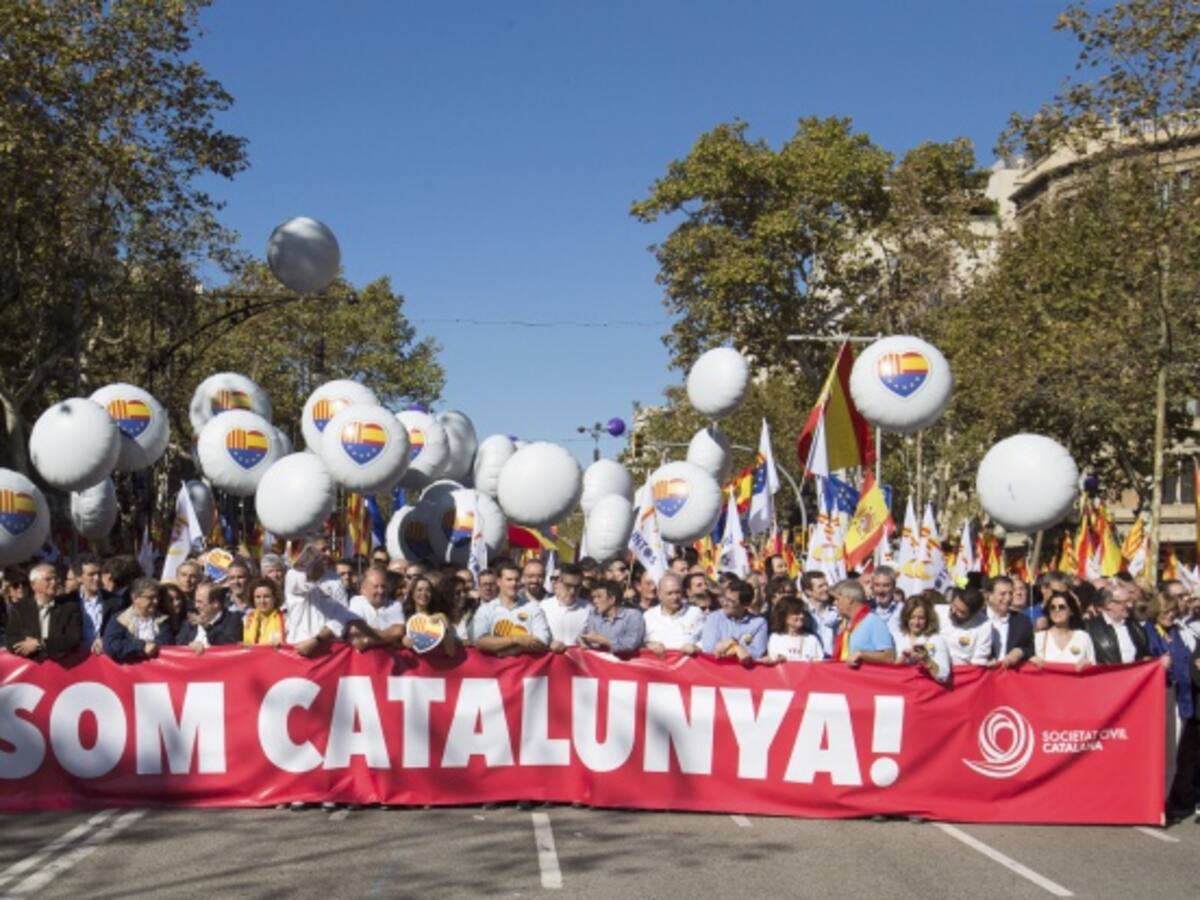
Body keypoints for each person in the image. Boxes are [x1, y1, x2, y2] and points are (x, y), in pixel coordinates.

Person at [1142, 591, 1200, 823]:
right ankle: (1149, 800)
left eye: (1173, 612)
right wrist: (1154, 664)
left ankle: (1164, 802)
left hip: (1179, 696)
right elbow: (1138, 661)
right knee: (1154, 751)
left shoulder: (1180, 632)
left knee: (1173, 751)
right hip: (1154, 697)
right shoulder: (1145, 630)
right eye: (1165, 611)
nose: (1169, 616)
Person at [282, 539, 354, 657]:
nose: (328, 554)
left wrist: (317, 640)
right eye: (323, 550)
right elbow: (304, 582)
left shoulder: (335, 579)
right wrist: (312, 571)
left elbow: (341, 615)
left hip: (330, 651)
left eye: (328, 549)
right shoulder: (293, 575)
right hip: (299, 649)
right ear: (308, 553)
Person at [4, 564, 82, 660]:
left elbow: (73, 638)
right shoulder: (19, 609)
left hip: (61, 665)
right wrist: (28, 646)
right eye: (48, 579)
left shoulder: (69, 608)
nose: (54, 582)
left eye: (55, 578)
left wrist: (40, 643)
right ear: (34, 585)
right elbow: (11, 640)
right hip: (31, 665)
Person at [473, 562, 550, 655]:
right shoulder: (485, 610)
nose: (514, 583)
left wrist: (510, 650)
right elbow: (481, 642)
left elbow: (542, 642)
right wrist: (515, 639)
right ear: (498, 582)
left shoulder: (533, 608)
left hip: (526, 664)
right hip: (495, 664)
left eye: (517, 580)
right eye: (509, 580)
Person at [103, 577, 173, 661]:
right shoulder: (120, 619)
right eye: (150, 597)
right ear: (135, 598)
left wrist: (152, 647)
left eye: (157, 597)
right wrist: (141, 647)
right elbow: (111, 646)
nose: (156, 601)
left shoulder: (163, 620)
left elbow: (166, 643)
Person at [830, 579, 895, 667]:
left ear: (849, 599)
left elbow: (889, 657)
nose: (834, 603)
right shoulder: (844, 624)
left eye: (837, 599)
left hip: (866, 675)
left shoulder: (873, 621)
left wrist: (862, 655)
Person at [701, 579, 767, 662]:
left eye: (731, 601)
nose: (725, 603)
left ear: (745, 605)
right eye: (725, 599)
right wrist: (734, 649)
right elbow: (708, 649)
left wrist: (736, 646)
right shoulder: (714, 618)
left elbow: (758, 653)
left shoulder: (758, 623)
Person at [1086, 585, 1151, 664]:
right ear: (1108, 604)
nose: (1130, 605)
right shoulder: (1090, 629)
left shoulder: (1136, 627)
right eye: (1125, 602)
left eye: (1130, 601)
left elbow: (1145, 655)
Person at [643, 573, 704, 657]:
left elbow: (708, 639)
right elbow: (639, 643)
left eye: (677, 592)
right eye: (669, 593)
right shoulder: (648, 616)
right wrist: (649, 645)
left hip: (688, 663)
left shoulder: (695, 613)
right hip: (657, 663)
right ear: (659, 595)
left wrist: (696, 647)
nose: (675, 597)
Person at [69, 554, 120, 655]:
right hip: (77, 659)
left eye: (99, 573)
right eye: (91, 574)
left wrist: (105, 640)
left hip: (106, 658)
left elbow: (120, 632)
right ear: (79, 577)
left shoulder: (115, 601)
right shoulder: (67, 602)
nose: (96, 578)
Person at [894, 594, 951, 683]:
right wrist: (903, 658)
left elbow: (943, 676)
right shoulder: (896, 637)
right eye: (912, 617)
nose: (916, 622)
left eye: (921, 618)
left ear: (928, 619)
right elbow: (888, 671)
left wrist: (927, 660)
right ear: (906, 618)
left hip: (925, 689)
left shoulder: (936, 640)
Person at [1031, 591, 1095, 669]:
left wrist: (1088, 665)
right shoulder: (1039, 638)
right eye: (1052, 607)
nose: (1056, 610)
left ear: (1071, 611)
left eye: (1062, 607)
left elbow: (1093, 666)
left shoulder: (1083, 637)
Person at [580, 580, 645, 655]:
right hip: (601, 660)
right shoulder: (594, 617)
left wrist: (606, 641)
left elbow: (631, 643)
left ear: (612, 600)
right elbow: (593, 642)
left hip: (625, 661)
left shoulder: (633, 615)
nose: (594, 601)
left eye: (599, 597)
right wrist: (585, 642)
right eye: (593, 597)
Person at [175, 582, 243, 653]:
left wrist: (207, 627)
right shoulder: (190, 621)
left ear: (215, 604)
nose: (196, 606)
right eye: (196, 601)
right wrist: (189, 646)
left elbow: (229, 646)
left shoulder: (232, 620)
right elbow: (177, 646)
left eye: (200, 602)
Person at [984, 575, 1034, 668]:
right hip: (983, 674)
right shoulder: (977, 619)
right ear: (989, 596)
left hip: (1010, 674)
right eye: (1003, 594)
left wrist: (1020, 652)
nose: (1008, 598)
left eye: (1010, 593)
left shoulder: (1023, 621)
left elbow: (1030, 648)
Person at [540, 563, 590, 652]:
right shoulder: (543, 607)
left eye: (577, 587)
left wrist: (588, 643)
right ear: (558, 583)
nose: (572, 591)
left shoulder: (589, 609)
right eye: (568, 586)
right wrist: (549, 644)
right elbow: (536, 638)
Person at [348, 566, 406, 642]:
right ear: (363, 589)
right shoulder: (356, 601)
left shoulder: (395, 605)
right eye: (376, 587)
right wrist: (389, 636)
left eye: (383, 586)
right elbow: (356, 631)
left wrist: (368, 640)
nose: (381, 591)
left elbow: (399, 631)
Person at [939, 587, 993, 666]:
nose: (953, 611)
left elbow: (978, 660)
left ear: (973, 614)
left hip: (961, 669)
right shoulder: (938, 612)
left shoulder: (984, 625)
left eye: (961, 611)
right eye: (954, 605)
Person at [766, 596, 824, 663]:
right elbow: (774, 661)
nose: (801, 616)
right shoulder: (776, 638)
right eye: (796, 613)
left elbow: (820, 664)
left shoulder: (811, 639)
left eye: (802, 613)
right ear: (784, 616)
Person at [801, 571, 837, 656]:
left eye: (826, 585)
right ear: (808, 591)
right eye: (820, 586)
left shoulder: (836, 612)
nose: (825, 588)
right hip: (811, 660)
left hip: (833, 660)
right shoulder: (802, 613)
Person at [243, 577, 286, 647]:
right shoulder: (246, 619)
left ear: (274, 598)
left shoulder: (285, 619)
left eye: (266, 596)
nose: (262, 601)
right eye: (258, 597)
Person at [868, 566, 902, 636]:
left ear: (894, 587)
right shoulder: (865, 609)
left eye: (886, 585)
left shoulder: (902, 610)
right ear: (872, 587)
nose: (881, 590)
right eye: (877, 585)